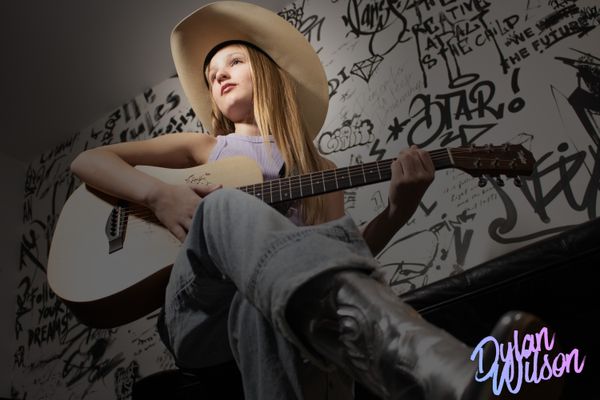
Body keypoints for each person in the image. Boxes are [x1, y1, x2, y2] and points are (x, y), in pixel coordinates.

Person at [70, 2, 527, 399]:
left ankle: (459, 387)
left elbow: (330, 254)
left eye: (233, 62)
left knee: (276, 304)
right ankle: (442, 365)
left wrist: (397, 211)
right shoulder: (205, 148)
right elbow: (89, 161)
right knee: (222, 205)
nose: (219, 75)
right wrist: (160, 195)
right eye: (211, 76)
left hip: (261, 307)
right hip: (198, 311)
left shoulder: (320, 171)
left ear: (267, 72)